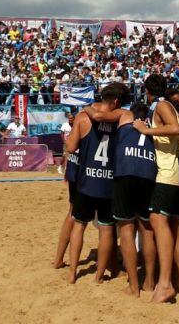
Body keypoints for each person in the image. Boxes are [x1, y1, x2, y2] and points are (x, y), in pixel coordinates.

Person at [84, 103, 157, 297]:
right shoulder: (153, 123)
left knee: (126, 229)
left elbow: (99, 116)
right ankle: (149, 281)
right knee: (147, 230)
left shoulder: (125, 115)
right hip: (148, 169)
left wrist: (86, 108)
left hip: (126, 170)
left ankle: (134, 286)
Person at [66, 83, 128, 284]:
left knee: (79, 225)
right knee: (107, 229)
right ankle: (99, 277)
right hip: (108, 183)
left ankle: (72, 273)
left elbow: (71, 147)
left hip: (86, 181)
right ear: (117, 101)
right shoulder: (121, 119)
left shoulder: (83, 117)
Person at [133, 74, 179, 303]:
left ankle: (164, 284)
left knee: (157, 221)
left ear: (147, 90)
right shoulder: (168, 106)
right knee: (175, 226)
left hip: (167, 171)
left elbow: (174, 128)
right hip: (174, 171)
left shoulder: (163, 105)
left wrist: (145, 131)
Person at [53, 139, 80, 269]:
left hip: (75, 166)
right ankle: (113, 266)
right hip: (88, 168)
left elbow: (70, 145)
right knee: (107, 223)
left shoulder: (80, 120)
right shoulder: (91, 120)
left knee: (72, 214)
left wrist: (68, 167)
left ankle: (59, 259)